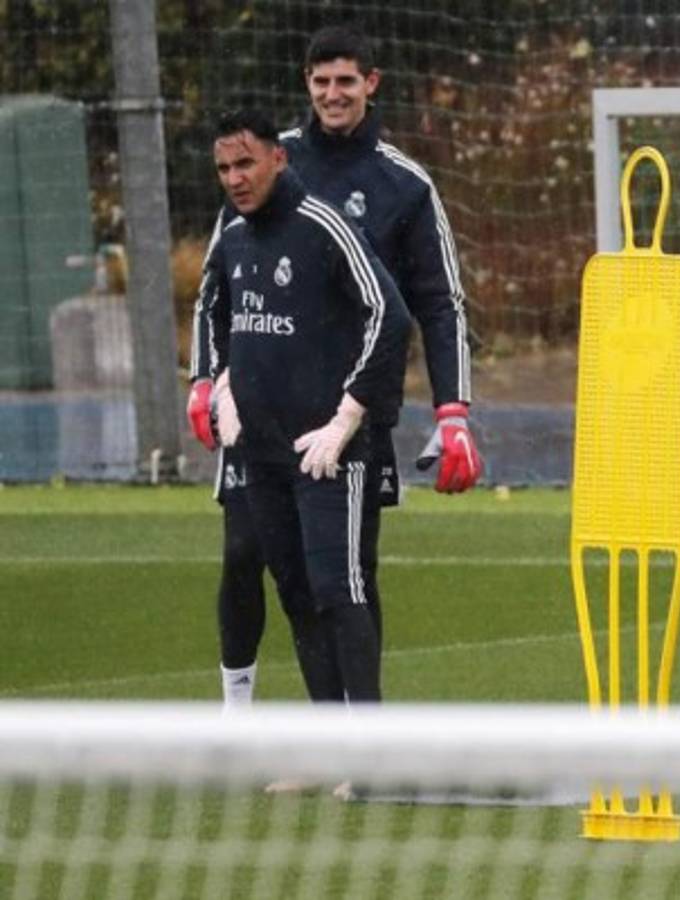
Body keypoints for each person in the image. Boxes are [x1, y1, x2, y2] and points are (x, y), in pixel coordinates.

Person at [187, 24, 481, 706]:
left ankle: (359, 731)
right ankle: (243, 712)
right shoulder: (260, 162)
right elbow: (215, 289)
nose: (332, 94)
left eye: (346, 81)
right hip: (254, 412)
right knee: (246, 556)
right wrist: (207, 379)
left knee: (346, 575)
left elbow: (434, 304)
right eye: (320, 82)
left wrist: (453, 409)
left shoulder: (403, 185)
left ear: (371, 84)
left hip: (342, 419)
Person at [202, 107, 411, 704]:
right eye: (223, 168)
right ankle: (328, 747)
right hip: (261, 453)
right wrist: (223, 387)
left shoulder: (324, 225)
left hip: (328, 453)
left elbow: (389, 315)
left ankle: (369, 755)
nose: (236, 177)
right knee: (292, 590)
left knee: (337, 589)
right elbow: (215, 314)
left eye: (246, 163)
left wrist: (347, 417)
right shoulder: (234, 238)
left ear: (278, 158)